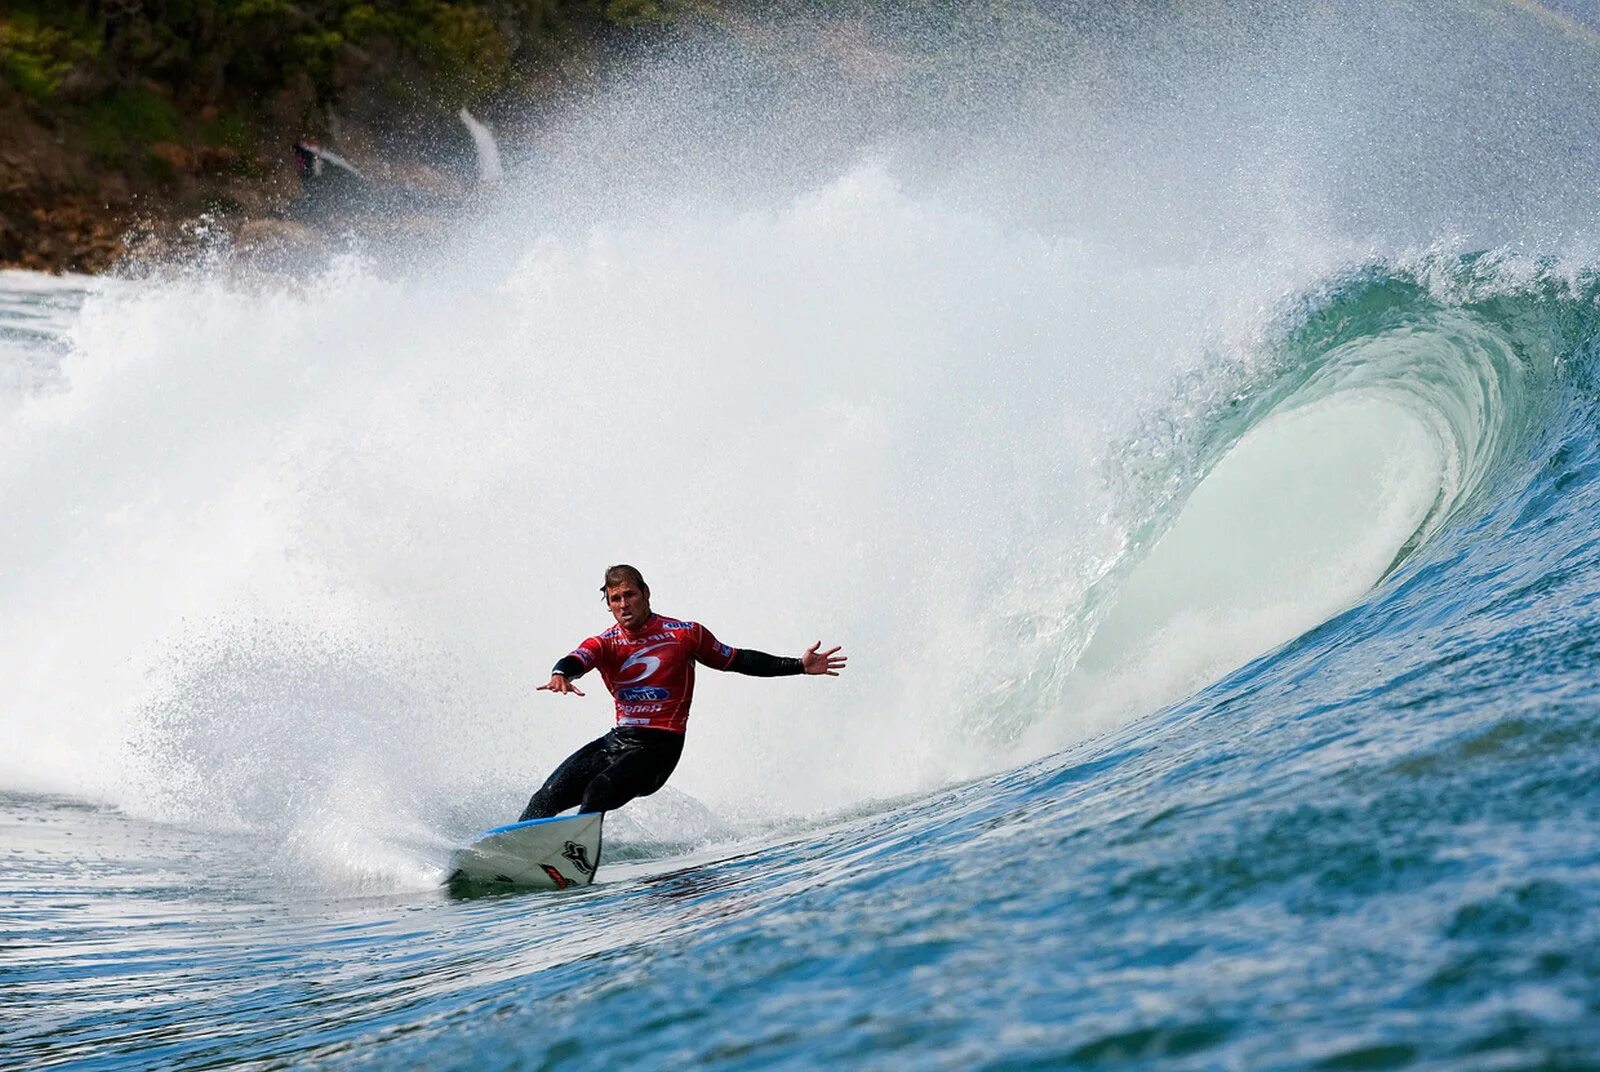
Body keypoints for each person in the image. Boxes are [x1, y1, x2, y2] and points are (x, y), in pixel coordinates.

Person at [519, 564, 846, 821]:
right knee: (546, 796)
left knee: (598, 791)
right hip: (619, 740)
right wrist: (561, 672)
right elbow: (577, 658)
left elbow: (736, 659)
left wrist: (798, 665)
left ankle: (572, 858)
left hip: (660, 747)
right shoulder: (606, 643)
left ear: (646, 593)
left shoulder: (685, 634)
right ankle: (508, 854)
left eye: (629, 595)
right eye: (615, 599)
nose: (623, 604)